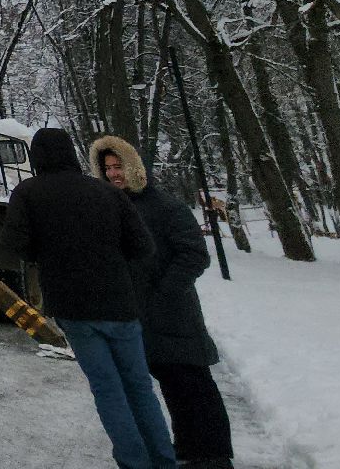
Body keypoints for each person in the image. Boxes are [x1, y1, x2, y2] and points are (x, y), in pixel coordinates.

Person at [2, 128, 176, 469]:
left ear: (36, 157)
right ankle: (163, 460)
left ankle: (134, 462)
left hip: (72, 306)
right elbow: (143, 246)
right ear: (72, 153)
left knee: (107, 389)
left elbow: (14, 244)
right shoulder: (107, 192)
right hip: (119, 303)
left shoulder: (27, 193)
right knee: (140, 387)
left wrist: (46, 252)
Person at [92, 136, 235, 469]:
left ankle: (213, 457)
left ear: (133, 167)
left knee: (193, 384)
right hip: (139, 316)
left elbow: (194, 255)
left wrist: (165, 293)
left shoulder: (166, 206)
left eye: (118, 167)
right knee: (172, 386)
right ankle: (189, 450)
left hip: (174, 314)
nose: (114, 174)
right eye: (108, 168)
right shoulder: (113, 208)